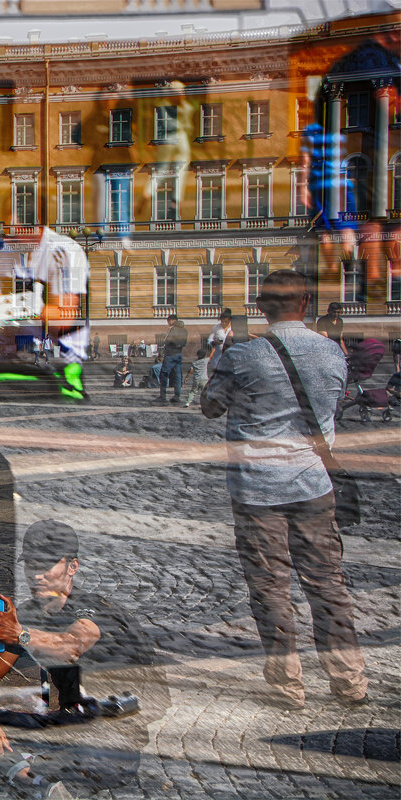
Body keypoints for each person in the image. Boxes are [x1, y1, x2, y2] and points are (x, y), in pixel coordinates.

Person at [201, 269, 368, 709]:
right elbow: (334, 405)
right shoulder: (332, 352)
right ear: (306, 303)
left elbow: (210, 407)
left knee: (269, 586)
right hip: (313, 482)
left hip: (257, 488)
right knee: (328, 584)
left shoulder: (243, 355)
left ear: (260, 306)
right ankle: (349, 680)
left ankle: (287, 683)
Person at [0, 521, 169, 793]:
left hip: (108, 729)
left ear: (72, 567)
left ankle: (37, 777)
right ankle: (36, 778)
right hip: (56, 723)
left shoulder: (96, 610)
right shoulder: (27, 614)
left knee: (92, 760)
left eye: (45, 566)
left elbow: (73, 644)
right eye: (31, 565)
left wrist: (20, 634)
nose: (37, 575)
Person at [157, 314, 188, 403]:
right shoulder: (184, 330)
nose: (168, 323)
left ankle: (162, 396)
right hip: (179, 354)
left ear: (172, 320)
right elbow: (184, 343)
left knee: (164, 374)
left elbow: (167, 340)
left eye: (168, 321)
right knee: (177, 375)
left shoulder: (173, 329)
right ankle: (177, 396)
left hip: (170, 354)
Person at [182, 343, 214, 408]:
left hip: (196, 380)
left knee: (192, 392)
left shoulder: (194, 363)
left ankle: (187, 403)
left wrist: (186, 378)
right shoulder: (205, 361)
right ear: (204, 355)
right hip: (204, 380)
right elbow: (211, 356)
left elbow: (190, 371)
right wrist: (214, 349)